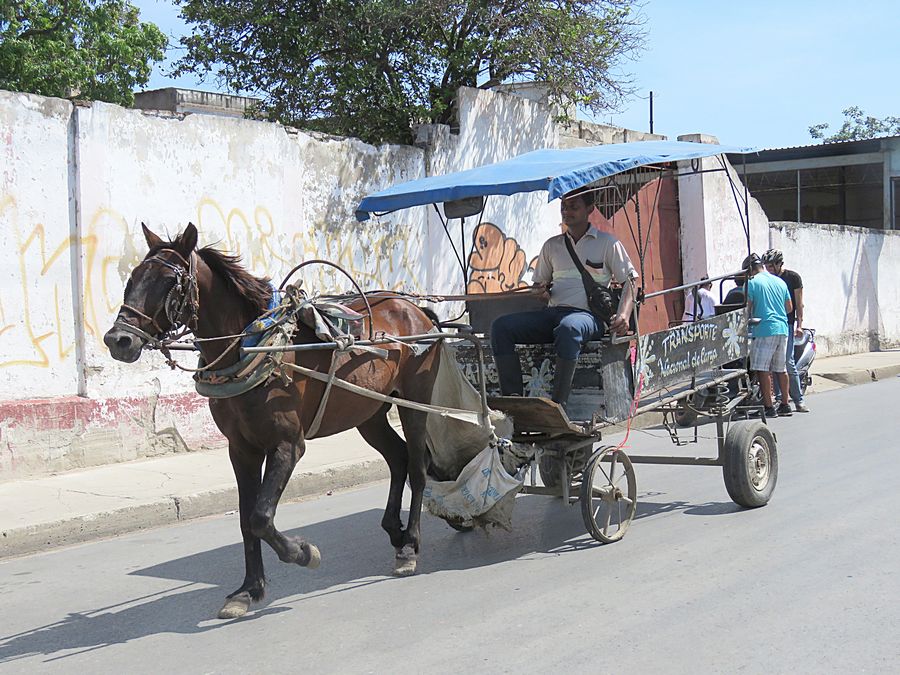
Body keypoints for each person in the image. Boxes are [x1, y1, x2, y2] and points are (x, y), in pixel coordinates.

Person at [491, 188, 637, 408]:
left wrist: (624, 314)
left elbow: (631, 281)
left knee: (569, 328)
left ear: (590, 209)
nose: (566, 212)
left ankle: (558, 406)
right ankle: (513, 401)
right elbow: (540, 288)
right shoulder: (552, 246)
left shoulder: (608, 243)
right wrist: (540, 293)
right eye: (563, 208)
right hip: (554, 313)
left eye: (573, 207)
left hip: (588, 317)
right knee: (500, 327)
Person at [743, 253, 793, 418]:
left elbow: (746, 309)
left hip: (764, 329)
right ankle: (785, 405)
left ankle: (769, 407)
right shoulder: (780, 281)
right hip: (782, 328)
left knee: (762, 369)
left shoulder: (752, 283)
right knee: (781, 369)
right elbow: (789, 308)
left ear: (750, 270)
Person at [762, 248, 810, 413]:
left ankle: (799, 400)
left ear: (778, 264)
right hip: (771, 326)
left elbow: (798, 303)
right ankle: (780, 398)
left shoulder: (793, 278)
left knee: (787, 362)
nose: (768, 269)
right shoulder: (767, 280)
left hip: (787, 324)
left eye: (770, 266)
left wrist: (799, 325)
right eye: (766, 266)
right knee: (773, 363)